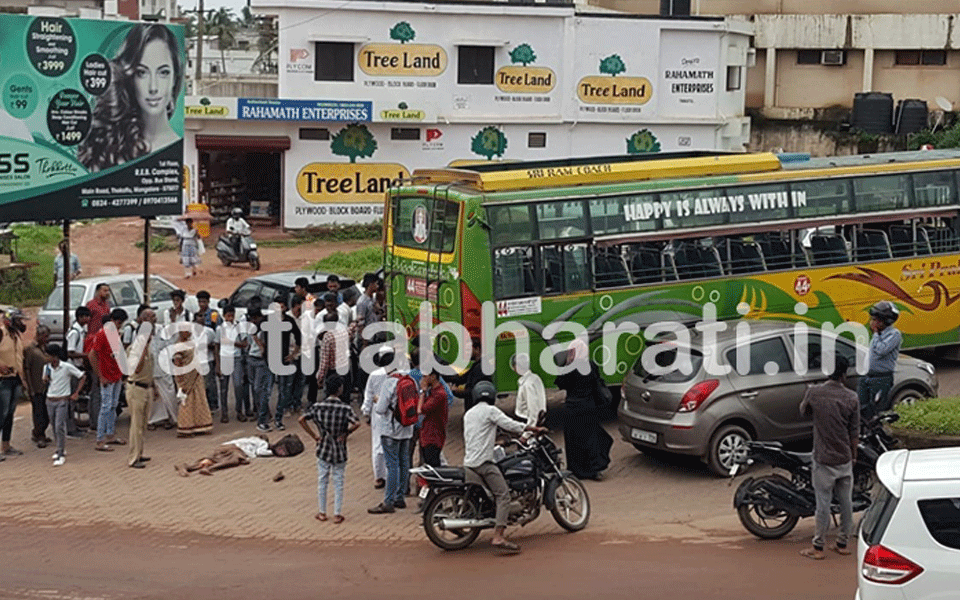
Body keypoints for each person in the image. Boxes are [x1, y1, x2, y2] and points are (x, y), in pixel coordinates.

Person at [78, 24, 183, 171]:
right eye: (142, 73)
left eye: (163, 73)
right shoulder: (109, 141)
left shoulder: (176, 148)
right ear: (130, 77)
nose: (153, 87)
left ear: (175, 78)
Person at [463, 381, 547, 553]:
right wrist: (533, 429)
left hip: (469, 461)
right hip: (483, 464)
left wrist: (501, 440)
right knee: (503, 495)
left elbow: (479, 434)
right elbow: (510, 424)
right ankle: (499, 536)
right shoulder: (490, 411)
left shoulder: (469, 414)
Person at [799, 355, 860, 560]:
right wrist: (853, 456)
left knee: (822, 504)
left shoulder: (814, 392)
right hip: (844, 457)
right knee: (846, 503)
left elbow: (803, 411)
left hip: (823, 458)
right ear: (844, 374)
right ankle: (842, 543)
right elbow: (854, 431)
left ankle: (818, 547)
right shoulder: (852, 397)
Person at [300, 375, 361, 524]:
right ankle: (337, 513)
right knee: (338, 481)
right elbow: (357, 423)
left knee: (322, 480)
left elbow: (301, 419)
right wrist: (346, 433)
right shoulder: (345, 408)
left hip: (323, 447)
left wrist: (314, 436)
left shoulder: (318, 407)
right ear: (340, 389)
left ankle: (322, 512)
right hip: (339, 448)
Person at [553, 339, 613, 481]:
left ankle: (577, 471)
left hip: (572, 408)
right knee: (591, 438)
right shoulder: (591, 365)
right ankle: (595, 470)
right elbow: (596, 382)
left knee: (574, 441)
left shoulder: (570, 367)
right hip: (589, 407)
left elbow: (560, 384)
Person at [368, 359, 416, 514]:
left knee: (392, 465)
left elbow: (380, 409)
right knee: (404, 462)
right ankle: (400, 497)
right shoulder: (410, 381)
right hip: (407, 428)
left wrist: (377, 400)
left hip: (390, 429)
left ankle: (389, 501)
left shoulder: (389, 383)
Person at [174, 434, 304, 477]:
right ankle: (209, 469)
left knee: (212, 460)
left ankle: (188, 467)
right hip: (233, 449)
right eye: (282, 450)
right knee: (236, 459)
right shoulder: (262, 444)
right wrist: (272, 454)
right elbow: (259, 453)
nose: (281, 454)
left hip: (232, 450)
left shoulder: (260, 443)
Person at [90, 308, 129, 452]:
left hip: (115, 374)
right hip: (107, 375)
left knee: (113, 405)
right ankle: (100, 439)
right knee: (106, 407)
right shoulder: (102, 334)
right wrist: (101, 376)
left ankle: (110, 434)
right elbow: (92, 355)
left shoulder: (114, 333)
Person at [43, 344, 86, 466]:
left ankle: (61, 453)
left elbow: (81, 376)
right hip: (50, 399)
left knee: (59, 426)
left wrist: (76, 393)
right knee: (54, 425)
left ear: (54, 356)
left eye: (48, 355)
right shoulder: (47, 368)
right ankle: (59, 447)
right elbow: (46, 381)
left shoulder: (66, 367)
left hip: (62, 400)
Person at [859, 300, 902, 421]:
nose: (872, 322)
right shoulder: (877, 335)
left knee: (878, 411)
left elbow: (881, 350)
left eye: (876, 319)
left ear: (886, 320)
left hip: (881, 378)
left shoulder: (894, 334)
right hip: (867, 376)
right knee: (863, 409)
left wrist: (876, 333)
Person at [125, 308, 155, 469]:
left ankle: (140, 452)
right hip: (136, 388)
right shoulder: (135, 349)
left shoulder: (148, 349)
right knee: (136, 425)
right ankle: (133, 458)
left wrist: (154, 388)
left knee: (143, 425)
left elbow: (150, 370)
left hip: (146, 388)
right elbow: (137, 369)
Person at [361, 346, 393, 489]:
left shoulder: (374, 374)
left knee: (377, 444)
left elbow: (368, 396)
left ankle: (379, 477)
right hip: (393, 412)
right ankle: (391, 473)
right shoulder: (399, 374)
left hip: (377, 413)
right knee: (392, 443)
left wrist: (366, 413)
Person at [172, 325, 213, 437]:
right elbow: (177, 363)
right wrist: (181, 380)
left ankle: (200, 425)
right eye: (187, 331)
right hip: (186, 377)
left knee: (199, 400)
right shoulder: (178, 346)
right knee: (187, 402)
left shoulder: (190, 342)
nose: (189, 333)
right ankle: (185, 427)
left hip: (196, 375)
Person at [0, 308, 27, 459]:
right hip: (3, 379)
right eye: (18, 320)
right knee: (1, 413)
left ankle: (6, 445)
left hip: (15, 378)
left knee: (9, 414)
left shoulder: (16, 336)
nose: (21, 324)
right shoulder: (1, 333)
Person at [274, 294, 302, 431]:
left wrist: (293, 354)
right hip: (271, 361)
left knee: (285, 388)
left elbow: (299, 338)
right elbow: (260, 336)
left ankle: (279, 415)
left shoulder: (290, 321)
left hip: (285, 361)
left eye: (282, 306)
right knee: (267, 389)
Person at [218, 304, 249, 423]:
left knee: (238, 385)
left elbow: (244, 344)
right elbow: (217, 345)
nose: (230, 318)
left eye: (232, 315)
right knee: (224, 388)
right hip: (224, 358)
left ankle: (239, 411)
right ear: (224, 316)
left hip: (236, 358)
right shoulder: (220, 329)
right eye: (228, 316)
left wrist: (230, 342)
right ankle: (224, 413)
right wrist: (217, 364)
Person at [23, 324, 52, 448]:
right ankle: (39, 434)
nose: (47, 339)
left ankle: (40, 432)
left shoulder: (45, 349)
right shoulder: (30, 349)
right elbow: (27, 369)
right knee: (39, 412)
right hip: (36, 385)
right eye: (45, 336)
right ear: (39, 336)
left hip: (46, 385)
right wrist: (29, 387)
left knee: (47, 412)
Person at [245, 308, 274, 433]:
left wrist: (257, 339)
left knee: (260, 389)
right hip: (252, 359)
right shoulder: (252, 328)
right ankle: (263, 414)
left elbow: (266, 345)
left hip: (263, 361)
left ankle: (263, 420)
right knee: (257, 389)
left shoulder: (266, 328)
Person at [447, 337, 493, 412]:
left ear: (477, 349)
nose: (466, 353)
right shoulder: (476, 366)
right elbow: (461, 379)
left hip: (478, 412)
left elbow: (472, 392)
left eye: (468, 350)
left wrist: (457, 391)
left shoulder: (481, 367)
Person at [65, 306, 91, 437]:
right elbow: (70, 352)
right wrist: (85, 355)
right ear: (80, 317)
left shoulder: (81, 331)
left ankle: (73, 426)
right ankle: (70, 428)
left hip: (78, 367)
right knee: (71, 400)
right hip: (73, 369)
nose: (88, 319)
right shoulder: (74, 332)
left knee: (74, 400)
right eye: (86, 317)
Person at [417, 369, 448, 468]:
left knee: (432, 467)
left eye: (425, 376)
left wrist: (422, 391)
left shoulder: (439, 394)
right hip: (428, 434)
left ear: (433, 376)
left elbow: (420, 409)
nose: (423, 379)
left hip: (433, 436)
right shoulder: (434, 392)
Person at [512, 353, 547, 434]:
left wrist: (527, 435)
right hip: (539, 419)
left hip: (527, 422)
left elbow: (533, 409)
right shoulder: (535, 378)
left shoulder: (527, 384)